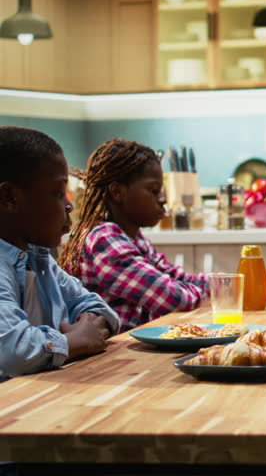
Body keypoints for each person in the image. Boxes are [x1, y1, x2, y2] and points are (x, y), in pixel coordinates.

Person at [0, 126, 120, 379]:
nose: (69, 204)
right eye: (57, 192)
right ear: (9, 197)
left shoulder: (38, 257)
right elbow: (12, 351)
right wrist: (73, 342)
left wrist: (88, 326)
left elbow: (95, 306)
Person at [57, 138, 209, 333]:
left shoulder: (132, 237)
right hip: (108, 357)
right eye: (154, 190)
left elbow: (177, 277)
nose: (163, 199)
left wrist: (225, 284)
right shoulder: (104, 239)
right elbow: (174, 299)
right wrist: (213, 290)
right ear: (117, 192)